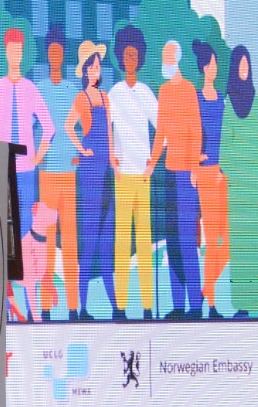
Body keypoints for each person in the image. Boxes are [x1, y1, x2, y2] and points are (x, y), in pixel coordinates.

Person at [0, 27, 55, 307]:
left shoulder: (29, 88)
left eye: (19, 50)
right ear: (6, 52)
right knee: (4, 227)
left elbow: (49, 127)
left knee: (25, 228)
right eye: (11, 49)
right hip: (3, 169)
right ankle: (5, 292)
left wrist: (38, 157)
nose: (16, 54)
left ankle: (27, 290)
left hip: (26, 171)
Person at [148, 40, 203, 319]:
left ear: (176, 60)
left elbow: (196, 130)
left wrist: (194, 168)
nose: (165, 63)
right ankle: (178, 304)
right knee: (172, 241)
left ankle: (196, 305)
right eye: (163, 58)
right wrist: (151, 164)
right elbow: (161, 134)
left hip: (186, 176)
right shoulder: (164, 91)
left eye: (168, 58)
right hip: (169, 173)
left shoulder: (189, 89)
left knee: (187, 241)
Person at [108, 25, 158, 320]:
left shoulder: (146, 92)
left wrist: (153, 162)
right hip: (122, 177)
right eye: (126, 55)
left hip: (143, 177)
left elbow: (162, 127)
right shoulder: (114, 93)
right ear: (120, 57)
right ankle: (121, 307)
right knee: (122, 243)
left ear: (140, 58)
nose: (130, 59)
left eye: (135, 55)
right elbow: (107, 128)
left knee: (144, 242)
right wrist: (113, 159)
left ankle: (148, 307)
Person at [220, 46, 258, 317]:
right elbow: (224, 150)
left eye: (247, 64)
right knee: (241, 248)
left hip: (254, 186)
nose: (244, 69)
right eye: (240, 64)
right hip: (238, 187)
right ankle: (243, 304)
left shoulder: (257, 103)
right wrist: (236, 171)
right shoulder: (229, 104)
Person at [64, 41, 115, 321]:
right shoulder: (81, 98)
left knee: (106, 240)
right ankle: (82, 308)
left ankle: (116, 306)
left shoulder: (105, 97)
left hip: (106, 171)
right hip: (90, 172)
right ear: (84, 70)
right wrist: (82, 150)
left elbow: (109, 134)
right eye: (92, 66)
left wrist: (114, 162)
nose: (96, 70)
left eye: (98, 66)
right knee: (89, 240)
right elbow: (68, 126)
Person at [35, 25, 81, 320]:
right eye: (51, 50)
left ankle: (74, 307)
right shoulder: (38, 90)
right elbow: (31, 128)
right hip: (47, 174)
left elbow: (85, 128)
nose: (55, 55)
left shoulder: (73, 90)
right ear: (47, 53)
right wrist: (38, 159)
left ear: (64, 54)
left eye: (59, 50)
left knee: (71, 242)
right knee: (47, 242)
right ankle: (46, 307)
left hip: (69, 175)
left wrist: (79, 155)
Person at [190, 41, 229, 313]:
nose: (214, 68)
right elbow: (191, 133)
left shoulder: (222, 99)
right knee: (211, 239)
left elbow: (226, 136)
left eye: (216, 64)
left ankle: (206, 288)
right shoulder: (197, 98)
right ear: (203, 68)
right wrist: (195, 162)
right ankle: (212, 302)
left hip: (222, 174)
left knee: (228, 240)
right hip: (205, 174)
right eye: (211, 64)